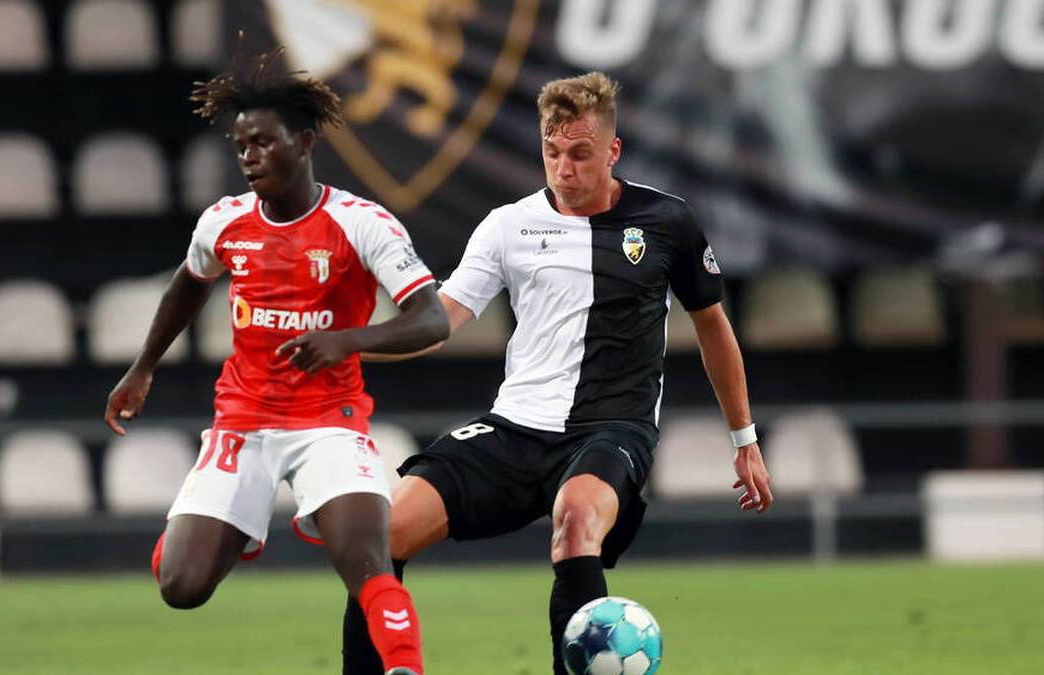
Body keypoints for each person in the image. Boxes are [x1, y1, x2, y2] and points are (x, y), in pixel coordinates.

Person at [341, 71, 774, 675]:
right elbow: (439, 322)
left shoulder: (667, 221)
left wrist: (744, 439)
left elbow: (713, 328)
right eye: (552, 152)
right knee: (381, 536)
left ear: (613, 151)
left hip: (613, 428)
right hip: (515, 427)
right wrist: (342, 345)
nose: (564, 169)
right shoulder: (507, 225)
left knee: (575, 520)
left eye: (580, 154)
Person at [104, 47, 448, 675]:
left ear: (305, 142)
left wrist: (347, 340)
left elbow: (432, 319)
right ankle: (205, 524)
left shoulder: (361, 223)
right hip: (244, 422)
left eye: (263, 142)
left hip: (330, 423)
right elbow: (189, 281)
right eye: (241, 146)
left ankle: (407, 668)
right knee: (181, 586)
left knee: (367, 566)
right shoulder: (225, 221)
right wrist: (144, 365)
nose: (249, 156)